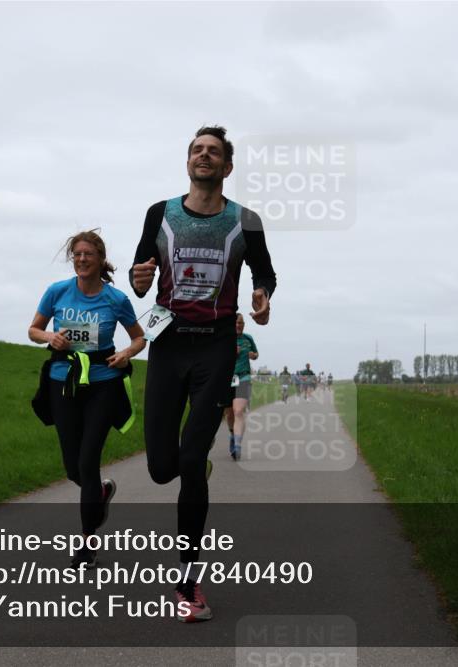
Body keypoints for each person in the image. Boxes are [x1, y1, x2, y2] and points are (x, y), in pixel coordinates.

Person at [130, 125, 276, 622]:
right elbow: (138, 272)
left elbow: (266, 272)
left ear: (227, 167)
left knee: (190, 463)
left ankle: (187, 583)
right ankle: (194, 466)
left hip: (216, 347)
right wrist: (139, 278)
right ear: (187, 162)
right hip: (168, 345)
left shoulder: (245, 221)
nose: (204, 156)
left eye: (214, 151)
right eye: (197, 150)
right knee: (160, 469)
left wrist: (262, 296)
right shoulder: (160, 213)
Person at [28, 230, 145, 569]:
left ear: (99, 259)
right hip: (62, 383)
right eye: (76, 254)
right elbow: (33, 330)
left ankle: (86, 543)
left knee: (89, 460)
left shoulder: (115, 299)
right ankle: (101, 492)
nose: (81, 259)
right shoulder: (57, 292)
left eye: (87, 254)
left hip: (103, 384)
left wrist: (124, 354)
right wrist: (50, 336)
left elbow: (139, 339)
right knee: (73, 466)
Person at [225, 313, 258, 460]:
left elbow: (256, 354)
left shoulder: (248, 338)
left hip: (243, 376)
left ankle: (237, 445)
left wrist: (252, 355)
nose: (239, 326)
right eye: (237, 323)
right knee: (229, 413)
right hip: (226, 378)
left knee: (238, 411)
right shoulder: (225, 338)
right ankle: (233, 435)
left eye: (241, 323)